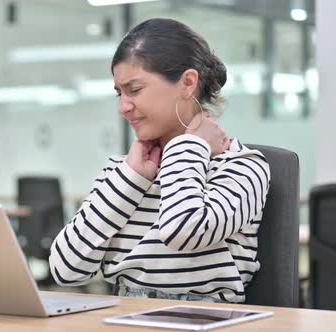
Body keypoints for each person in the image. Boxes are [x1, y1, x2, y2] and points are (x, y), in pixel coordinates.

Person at [48, 18, 270, 303]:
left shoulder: (243, 166)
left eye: (135, 90)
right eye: (119, 93)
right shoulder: (123, 172)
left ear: (188, 83)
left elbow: (183, 231)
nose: (123, 107)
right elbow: (64, 269)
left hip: (203, 319)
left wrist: (189, 146)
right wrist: (130, 179)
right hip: (123, 315)